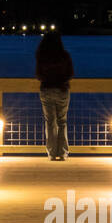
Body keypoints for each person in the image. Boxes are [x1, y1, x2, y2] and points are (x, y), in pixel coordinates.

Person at [35, 32, 73, 160]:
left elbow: (38, 75)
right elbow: (70, 74)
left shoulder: (41, 56)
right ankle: (62, 153)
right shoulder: (64, 56)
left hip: (46, 89)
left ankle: (51, 153)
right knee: (62, 121)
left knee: (50, 122)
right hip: (62, 90)